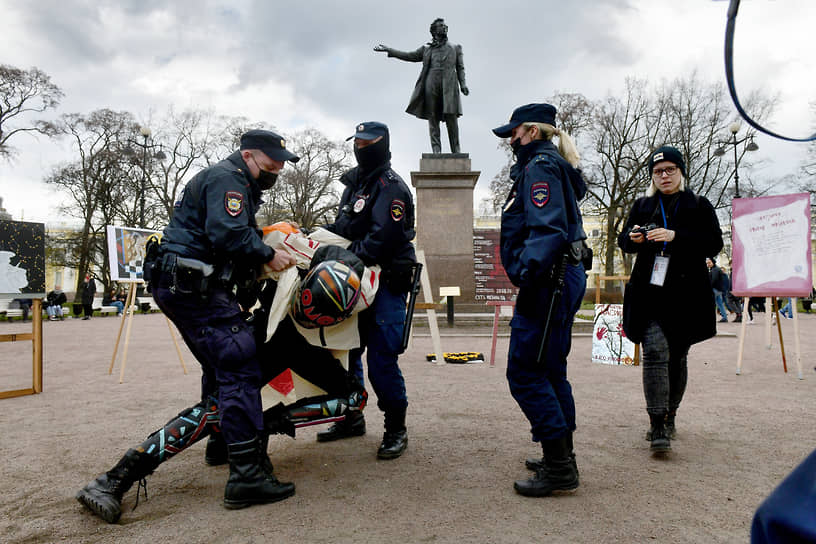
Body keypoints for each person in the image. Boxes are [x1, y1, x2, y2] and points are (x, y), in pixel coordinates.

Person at [76, 129, 300, 521]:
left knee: (220, 368)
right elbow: (228, 234)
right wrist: (269, 253)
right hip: (196, 289)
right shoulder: (228, 179)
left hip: (187, 285)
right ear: (248, 155)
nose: (276, 170)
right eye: (271, 163)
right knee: (240, 366)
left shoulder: (228, 180)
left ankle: (223, 444)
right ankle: (242, 475)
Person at [76, 249, 371, 524]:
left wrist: (275, 419)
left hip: (288, 346)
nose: (308, 313)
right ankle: (117, 476)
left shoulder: (320, 287)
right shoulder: (289, 281)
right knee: (216, 409)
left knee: (351, 398)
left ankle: (248, 431)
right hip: (262, 342)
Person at [492, 103, 588, 497]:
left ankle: (560, 467)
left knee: (526, 373)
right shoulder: (549, 164)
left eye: (513, 133)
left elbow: (546, 231)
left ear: (531, 131)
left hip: (548, 280)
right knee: (549, 370)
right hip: (560, 277)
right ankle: (561, 455)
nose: (510, 140)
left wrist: (527, 274)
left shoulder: (540, 168)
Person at [316, 121, 416, 460]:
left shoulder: (392, 188)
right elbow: (345, 227)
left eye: (367, 142)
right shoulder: (355, 186)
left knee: (381, 360)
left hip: (385, 282)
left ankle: (395, 428)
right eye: (356, 142)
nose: (360, 147)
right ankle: (350, 416)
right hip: (355, 280)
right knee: (346, 351)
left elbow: (382, 240)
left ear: (383, 144)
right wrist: (315, 237)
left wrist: (339, 253)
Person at [618, 145, 723, 454]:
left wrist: (675, 236)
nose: (663, 176)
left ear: (681, 172)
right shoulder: (643, 205)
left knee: (677, 356)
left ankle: (671, 413)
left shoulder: (699, 205)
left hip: (686, 294)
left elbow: (714, 243)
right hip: (649, 293)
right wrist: (633, 238)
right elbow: (625, 240)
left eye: (669, 170)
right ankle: (656, 424)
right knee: (654, 352)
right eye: (657, 171)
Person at [374, 18, 469, 153]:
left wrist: (463, 84)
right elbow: (409, 55)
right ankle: (436, 150)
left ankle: (456, 150)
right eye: (441, 26)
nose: (445, 27)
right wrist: (390, 50)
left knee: (451, 117)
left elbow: (460, 68)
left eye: (445, 25)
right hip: (431, 83)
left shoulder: (456, 47)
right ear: (434, 31)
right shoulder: (426, 48)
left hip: (450, 85)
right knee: (433, 117)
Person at [706, 257, 729, 323]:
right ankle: (724, 317)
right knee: (720, 304)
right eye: (707, 263)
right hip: (718, 290)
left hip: (714, 289)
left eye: (709, 263)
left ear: (713, 262)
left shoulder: (715, 270)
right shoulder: (715, 269)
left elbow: (714, 280)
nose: (708, 264)